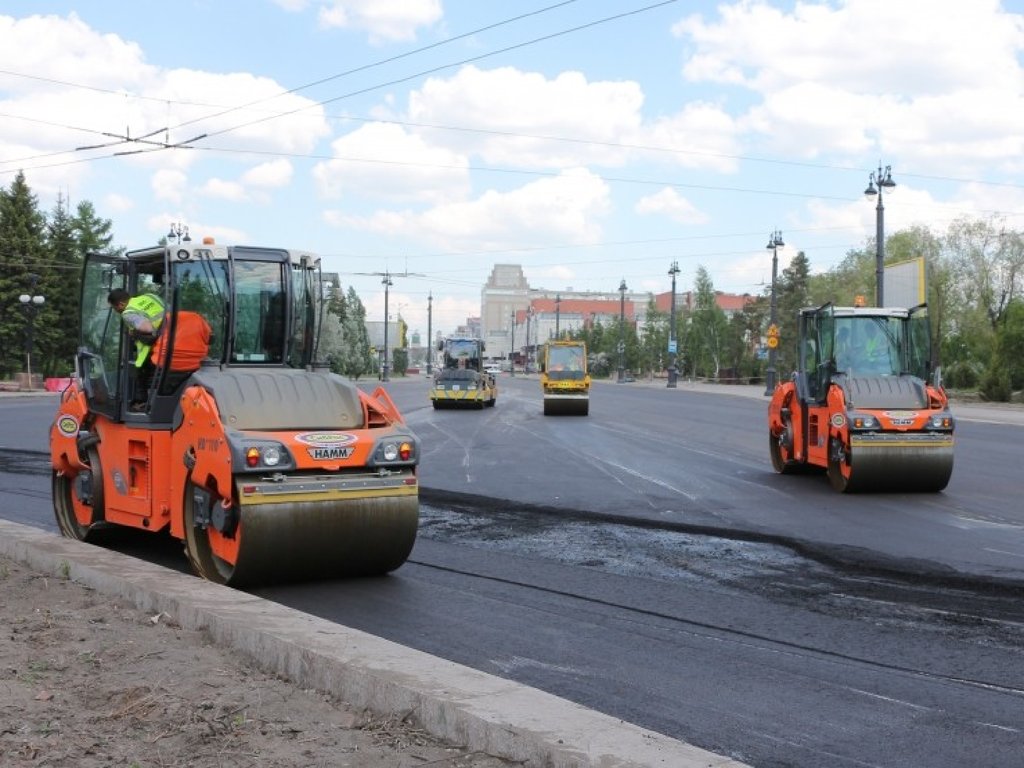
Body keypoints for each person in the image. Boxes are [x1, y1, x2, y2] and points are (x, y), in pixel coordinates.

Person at [108, 288, 166, 409]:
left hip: (156, 348)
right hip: (173, 341)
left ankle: (144, 405)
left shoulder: (128, 313)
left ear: (121, 304)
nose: (116, 311)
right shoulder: (150, 296)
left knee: (141, 375)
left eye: (115, 308)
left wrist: (135, 333)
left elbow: (149, 329)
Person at [150, 310, 212, 392]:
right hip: (194, 366)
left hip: (163, 364)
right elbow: (208, 339)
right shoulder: (200, 320)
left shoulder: (166, 317)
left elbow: (152, 335)